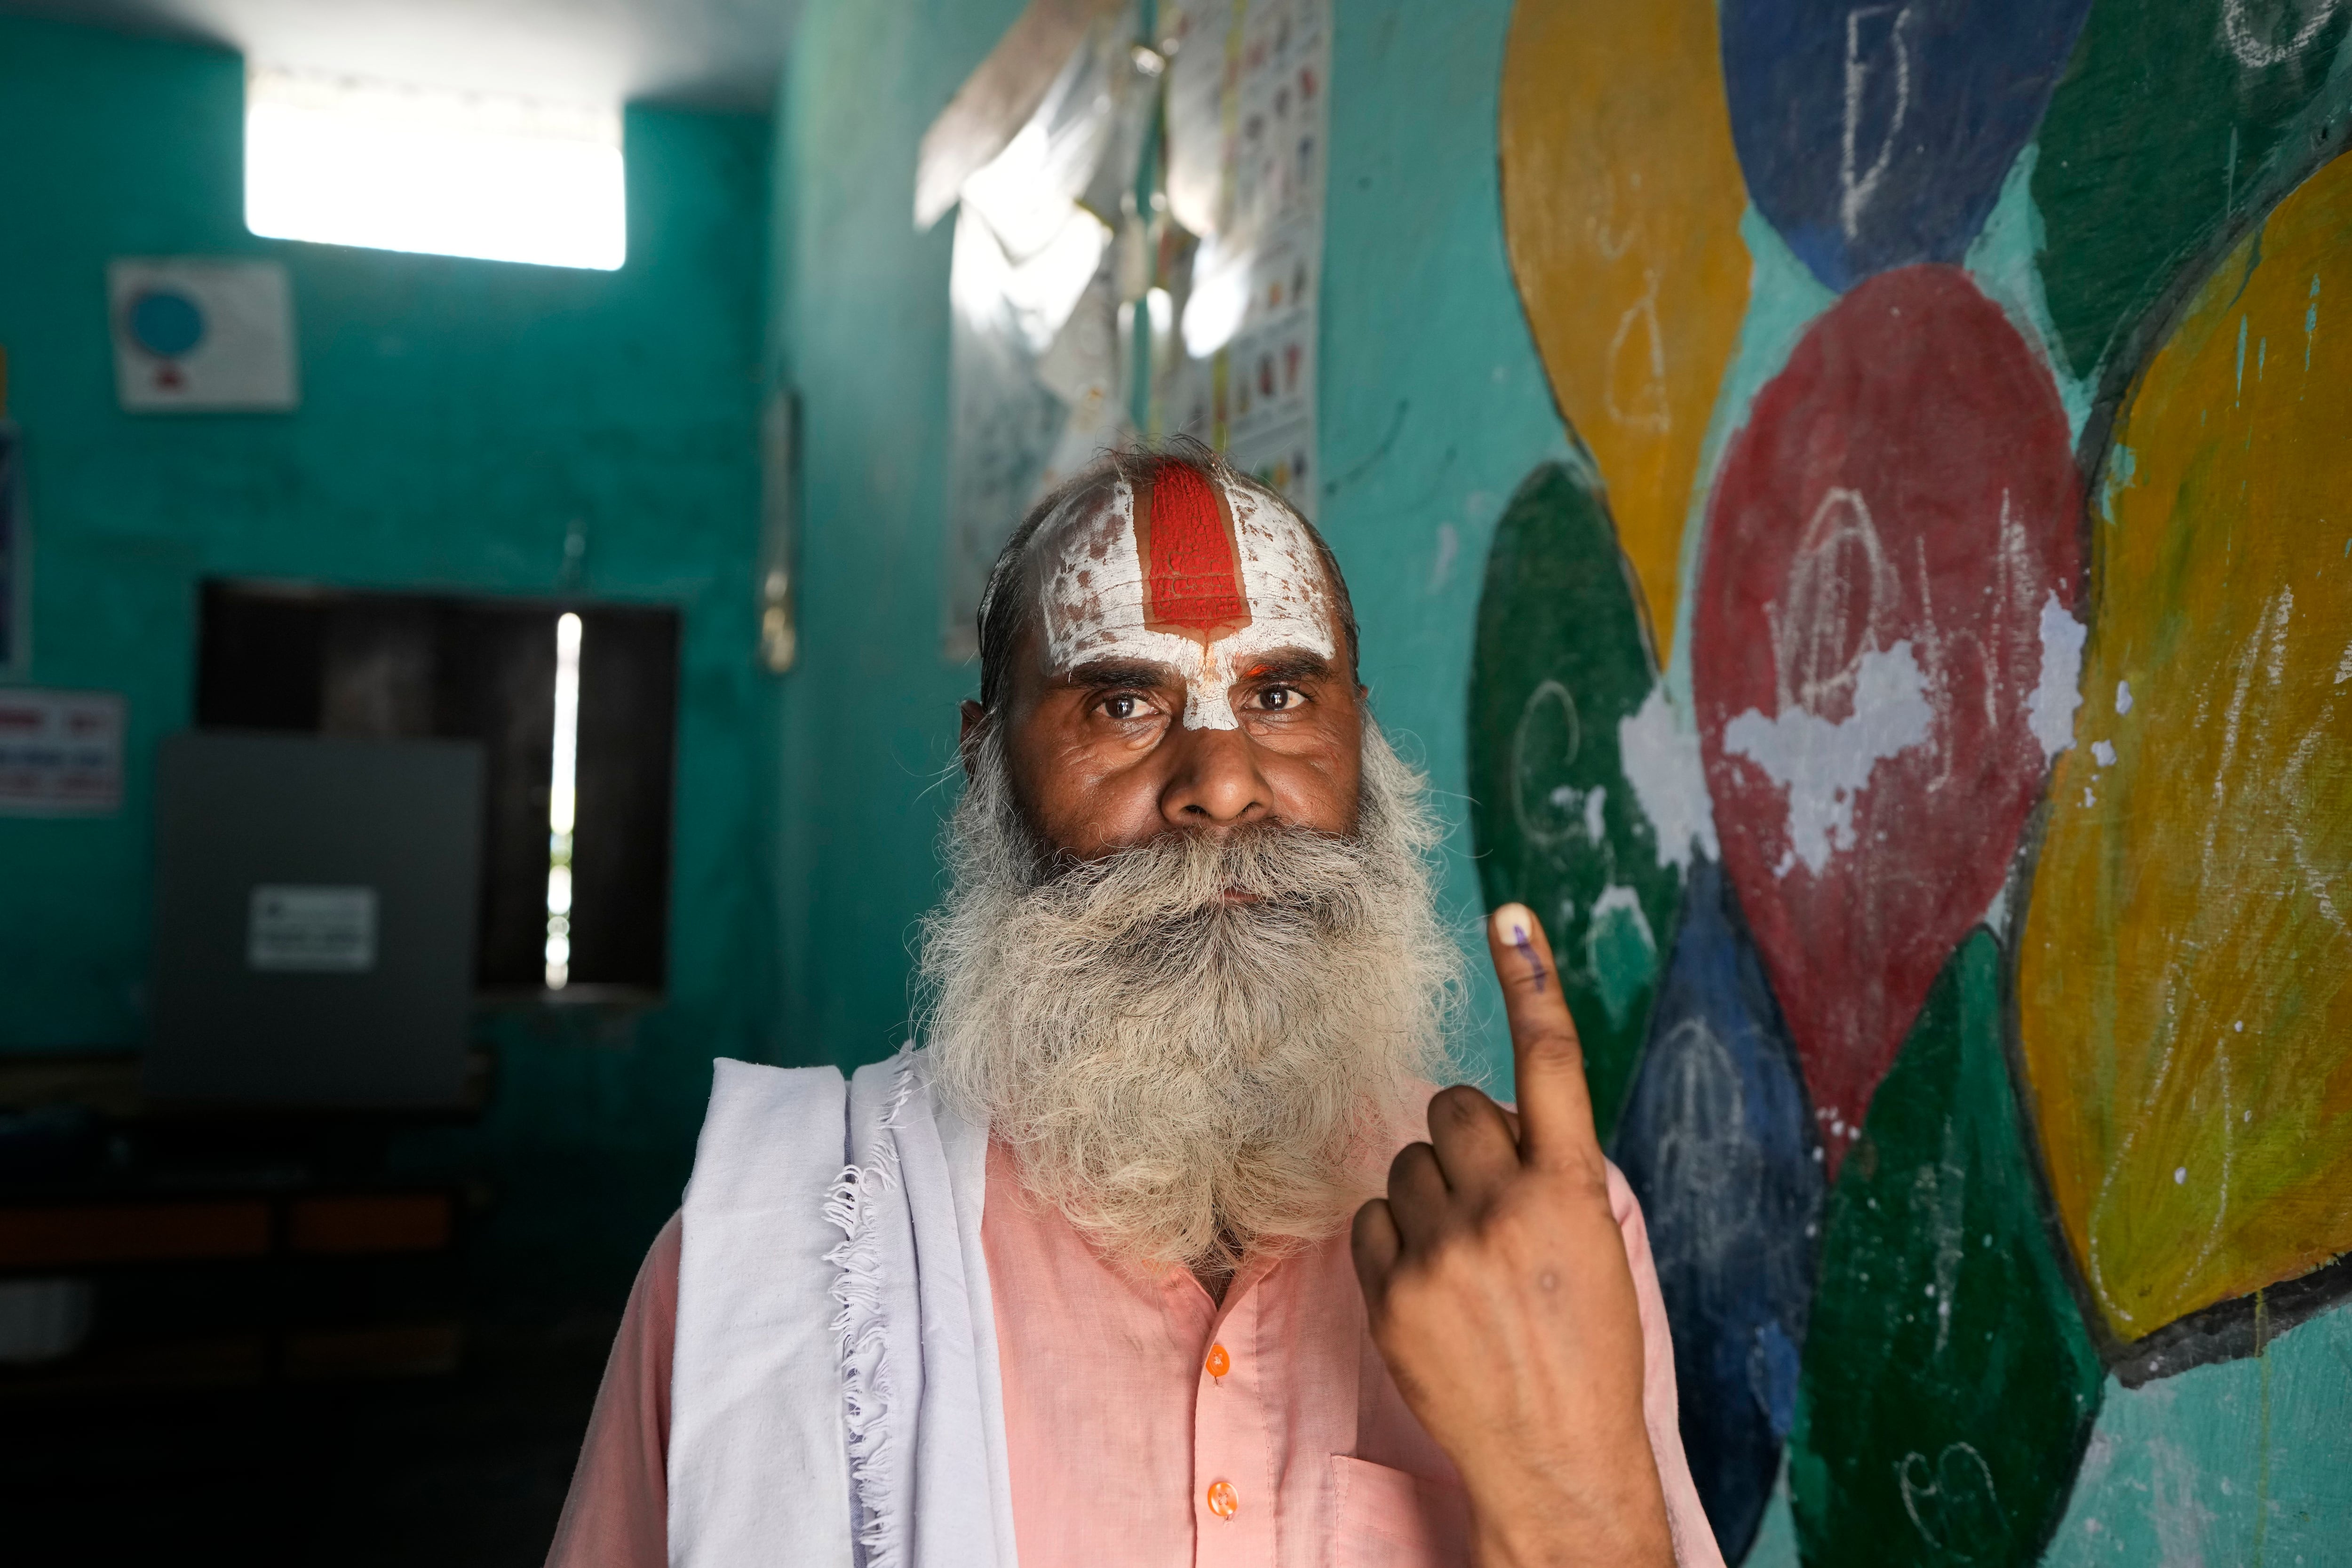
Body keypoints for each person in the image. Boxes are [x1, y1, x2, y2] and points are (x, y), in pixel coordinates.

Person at [545, 441, 1721, 1568]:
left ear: (1361, 735)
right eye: (1122, 705)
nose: (1219, 784)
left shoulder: (1549, 1227)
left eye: (1277, 697)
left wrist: (1567, 1491)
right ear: (984, 763)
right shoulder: (768, 1263)